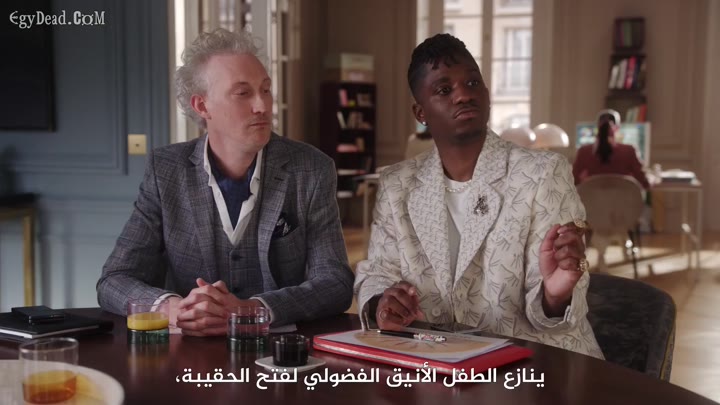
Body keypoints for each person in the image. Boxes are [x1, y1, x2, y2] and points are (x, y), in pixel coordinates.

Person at [354, 34, 603, 359]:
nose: (463, 95)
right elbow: (377, 273)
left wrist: (555, 296)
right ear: (420, 112)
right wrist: (382, 303)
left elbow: (555, 296)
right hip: (435, 364)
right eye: (444, 89)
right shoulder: (397, 184)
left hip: (535, 365)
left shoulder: (542, 173)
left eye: (472, 83)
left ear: (486, 93)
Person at [97, 28, 354, 336]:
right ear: (202, 106)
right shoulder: (166, 170)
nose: (262, 106)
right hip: (187, 352)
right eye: (243, 93)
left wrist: (253, 309)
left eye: (266, 90)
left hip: (277, 352)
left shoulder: (311, 168)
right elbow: (114, 279)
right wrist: (174, 308)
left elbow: (336, 283)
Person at [572, 109, 650, 188]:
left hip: (591, 196)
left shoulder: (584, 152)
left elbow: (573, 182)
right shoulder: (629, 151)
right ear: (617, 128)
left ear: (597, 127)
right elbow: (644, 183)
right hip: (622, 196)